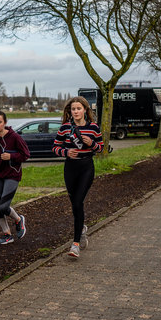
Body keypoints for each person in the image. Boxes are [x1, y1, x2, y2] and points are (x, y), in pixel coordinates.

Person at [52, 96, 103, 258]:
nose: (76, 112)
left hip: (86, 167)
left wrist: (91, 144)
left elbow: (101, 148)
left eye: (78, 109)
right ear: (70, 111)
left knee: (78, 201)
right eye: (73, 109)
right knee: (75, 205)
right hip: (70, 168)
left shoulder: (93, 127)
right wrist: (66, 152)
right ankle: (81, 229)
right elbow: (55, 147)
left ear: (85, 110)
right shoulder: (65, 128)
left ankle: (75, 245)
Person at [0, 111, 30, 245]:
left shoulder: (14, 137)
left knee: (4, 206)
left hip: (12, 174)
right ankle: (7, 234)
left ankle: (18, 219)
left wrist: (11, 156)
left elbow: (26, 154)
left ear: (5, 123)